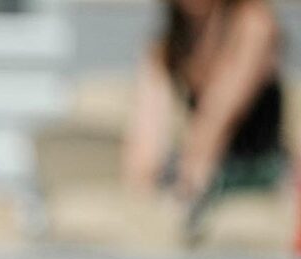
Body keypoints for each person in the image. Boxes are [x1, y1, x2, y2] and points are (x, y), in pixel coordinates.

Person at [121, 0, 286, 242]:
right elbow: (145, 141)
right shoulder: (166, 46)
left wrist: (188, 184)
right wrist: (137, 201)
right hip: (196, 170)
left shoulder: (255, 23)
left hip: (254, 169)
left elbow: (218, 119)